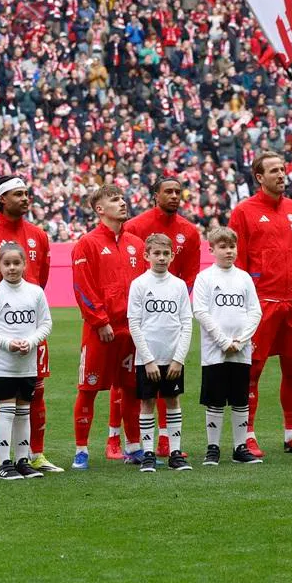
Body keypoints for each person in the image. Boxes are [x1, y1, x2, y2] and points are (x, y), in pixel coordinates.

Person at [0, 174, 59, 474]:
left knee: (36, 391)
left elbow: (40, 279)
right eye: (18, 194)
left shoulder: (39, 235)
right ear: (2, 199)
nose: (25, 198)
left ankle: (35, 454)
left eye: (27, 193)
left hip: (30, 330)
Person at [108, 177, 202, 459]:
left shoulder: (189, 231)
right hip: (137, 314)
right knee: (126, 381)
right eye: (168, 191)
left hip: (170, 309)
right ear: (155, 195)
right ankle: (115, 437)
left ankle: (165, 442)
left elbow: (191, 273)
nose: (174, 196)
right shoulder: (135, 226)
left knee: (166, 386)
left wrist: (173, 298)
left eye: (177, 191)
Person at [228, 150, 292, 456]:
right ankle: (247, 434)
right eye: (274, 170)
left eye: (283, 169)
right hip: (260, 304)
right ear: (259, 177)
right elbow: (236, 262)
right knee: (252, 371)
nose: (281, 175)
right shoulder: (243, 212)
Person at [70, 184, 144, 470]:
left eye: (123, 198)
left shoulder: (136, 244)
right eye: (115, 200)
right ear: (100, 209)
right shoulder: (87, 243)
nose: (123, 203)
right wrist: (99, 320)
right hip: (100, 330)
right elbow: (82, 286)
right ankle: (81, 451)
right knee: (87, 389)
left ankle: (134, 447)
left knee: (131, 388)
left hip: (131, 330)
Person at [0, 243, 53, 481]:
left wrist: (31, 342)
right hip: (3, 364)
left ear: (24, 264)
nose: (12, 268)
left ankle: (22, 460)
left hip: (28, 363)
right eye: (6, 264)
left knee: (23, 412)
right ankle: (4, 462)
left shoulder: (35, 293)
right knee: (6, 412)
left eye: (16, 263)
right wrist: (7, 344)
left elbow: (46, 324)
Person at [193, 226, 263, 466]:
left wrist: (241, 340)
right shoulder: (205, 278)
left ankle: (239, 447)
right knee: (214, 399)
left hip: (241, 350)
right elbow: (200, 311)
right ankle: (213, 448)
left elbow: (255, 311)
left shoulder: (244, 277)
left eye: (232, 246)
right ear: (212, 249)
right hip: (215, 351)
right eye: (223, 247)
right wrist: (224, 341)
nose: (228, 251)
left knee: (240, 399)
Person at [126, 234, 193, 472]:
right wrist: (148, 360)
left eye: (166, 254)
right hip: (148, 360)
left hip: (173, 359)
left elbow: (186, 323)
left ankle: (175, 452)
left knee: (173, 401)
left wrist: (179, 359)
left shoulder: (178, 285)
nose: (162, 258)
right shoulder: (139, 284)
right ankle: (148, 454)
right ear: (146, 255)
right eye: (157, 253)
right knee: (147, 403)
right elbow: (134, 324)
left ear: (172, 256)